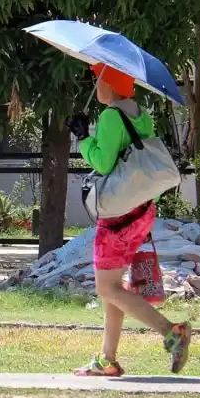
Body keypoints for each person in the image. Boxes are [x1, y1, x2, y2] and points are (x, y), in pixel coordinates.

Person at [68, 63, 191, 377]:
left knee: (107, 289)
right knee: (114, 288)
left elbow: (104, 162)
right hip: (141, 210)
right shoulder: (140, 113)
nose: (96, 85)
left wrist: (83, 138)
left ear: (109, 84)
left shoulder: (111, 116)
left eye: (99, 79)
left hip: (117, 216)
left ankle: (171, 332)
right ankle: (107, 359)